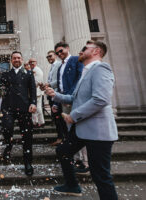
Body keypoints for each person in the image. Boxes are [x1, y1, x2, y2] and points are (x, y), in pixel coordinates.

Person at [45, 40, 118, 199]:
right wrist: (55, 95)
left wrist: (73, 116)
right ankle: (72, 185)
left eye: (85, 48)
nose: (80, 51)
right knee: (63, 151)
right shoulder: (86, 71)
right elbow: (74, 98)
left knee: (101, 176)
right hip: (82, 129)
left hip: (98, 130)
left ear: (96, 51)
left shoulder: (101, 68)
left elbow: (100, 99)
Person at [0, 51, 37, 176]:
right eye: (14, 58)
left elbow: (33, 90)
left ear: (22, 59)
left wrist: (33, 103)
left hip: (24, 108)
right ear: (11, 60)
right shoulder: (5, 74)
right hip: (8, 107)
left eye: (19, 58)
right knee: (7, 128)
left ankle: (28, 163)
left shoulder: (29, 74)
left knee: (27, 136)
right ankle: (9, 145)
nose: (16, 60)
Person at [53, 42, 88, 173]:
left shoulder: (75, 60)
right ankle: (76, 158)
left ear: (67, 48)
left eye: (61, 51)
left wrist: (71, 96)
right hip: (64, 102)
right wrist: (57, 103)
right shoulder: (60, 66)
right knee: (70, 131)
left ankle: (85, 161)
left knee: (80, 129)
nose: (59, 54)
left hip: (75, 100)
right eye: (57, 53)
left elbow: (79, 79)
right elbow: (59, 87)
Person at [45, 50, 64, 146]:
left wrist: (49, 84)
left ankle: (61, 138)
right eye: (47, 57)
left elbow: (60, 80)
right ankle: (60, 137)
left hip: (57, 95)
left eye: (50, 56)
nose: (49, 58)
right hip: (51, 95)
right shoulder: (52, 67)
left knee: (58, 118)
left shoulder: (59, 65)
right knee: (56, 118)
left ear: (55, 55)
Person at [29, 58, 44, 127]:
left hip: (36, 92)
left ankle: (37, 122)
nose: (31, 63)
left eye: (33, 62)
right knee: (36, 107)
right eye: (30, 62)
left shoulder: (37, 70)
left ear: (36, 62)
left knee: (37, 108)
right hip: (35, 92)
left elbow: (36, 83)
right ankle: (38, 121)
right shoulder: (32, 70)